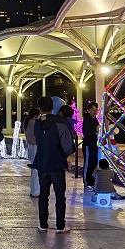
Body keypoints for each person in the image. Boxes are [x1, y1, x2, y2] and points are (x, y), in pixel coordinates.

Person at [32, 95, 76, 234]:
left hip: (42, 164)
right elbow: (68, 146)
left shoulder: (37, 123)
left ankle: (43, 224)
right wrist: (62, 157)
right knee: (59, 196)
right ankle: (60, 226)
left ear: (39, 108)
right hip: (57, 165)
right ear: (53, 107)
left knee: (43, 195)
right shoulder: (61, 124)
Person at [81, 102, 100, 191]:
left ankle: (92, 182)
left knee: (93, 163)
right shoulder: (87, 120)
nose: (94, 112)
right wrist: (95, 131)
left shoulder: (94, 119)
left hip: (94, 144)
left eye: (96, 110)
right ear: (88, 110)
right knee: (88, 163)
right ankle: (87, 182)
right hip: (88, 144)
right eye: (92, 110)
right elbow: (87, 133)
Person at [23, 107, 41, 197]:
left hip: (30, 146)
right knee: (36, 170)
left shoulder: (27, 122)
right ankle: (35, 191)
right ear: (35, 115)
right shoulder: (34, 123)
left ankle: (34, 190)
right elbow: (37, 136)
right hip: (35, 147)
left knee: (34, 169)